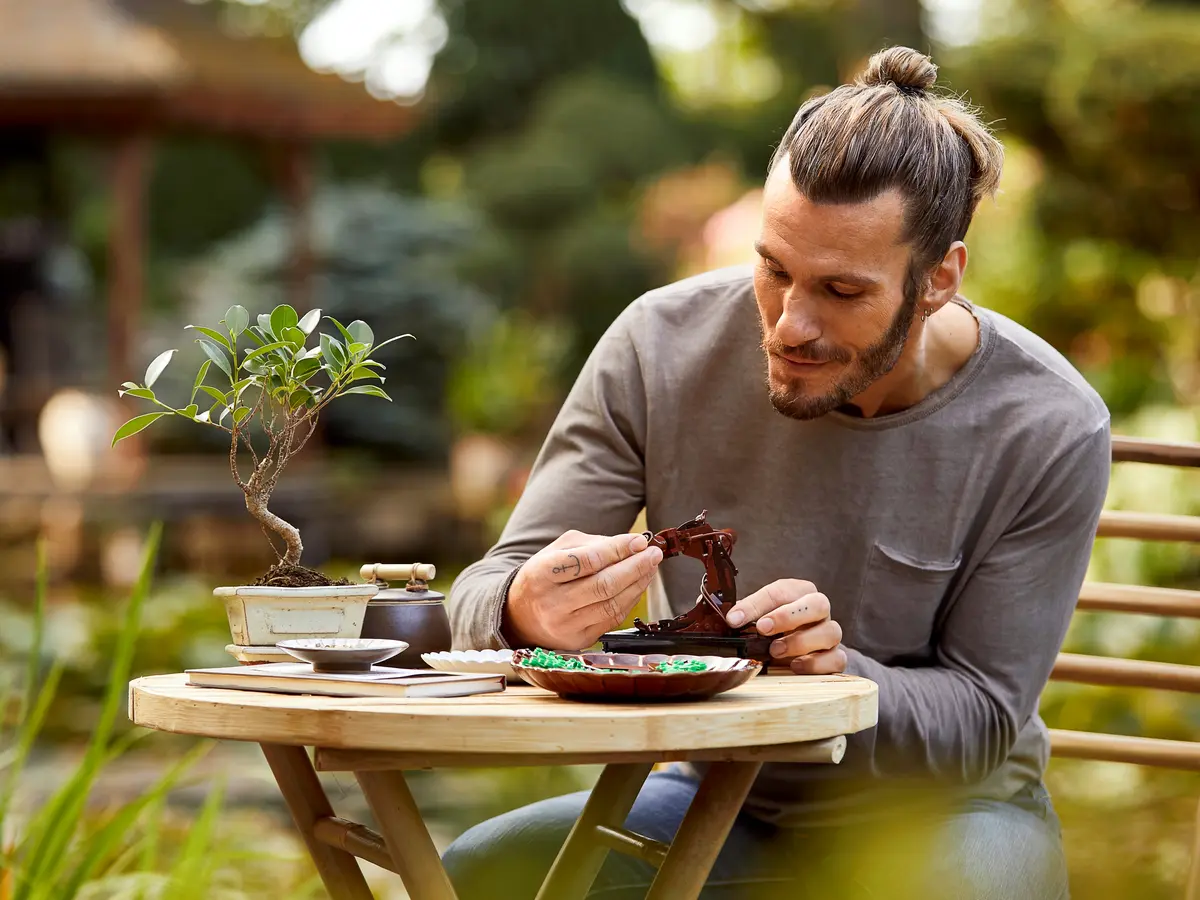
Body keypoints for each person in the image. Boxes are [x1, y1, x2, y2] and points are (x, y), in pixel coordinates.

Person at [442, 45, 1109, 899]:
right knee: (483, 871)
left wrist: (840, 678)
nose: (790, 324)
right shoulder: (658, 347)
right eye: (773, 269)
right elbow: (480, 595)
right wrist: (521, 608)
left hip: (949, 817)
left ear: (939, 277)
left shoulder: (1047, 423)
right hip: (713, 795)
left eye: (840, 290)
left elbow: (980, 721)